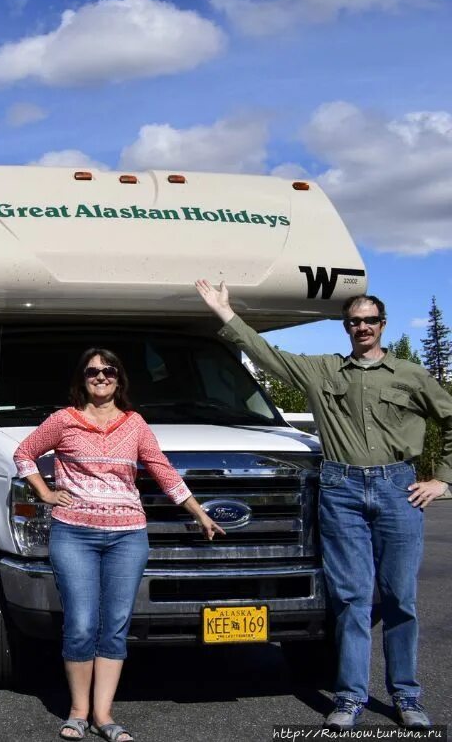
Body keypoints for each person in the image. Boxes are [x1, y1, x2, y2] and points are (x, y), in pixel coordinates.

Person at [196, 280, 452, 731]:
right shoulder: (322, 371)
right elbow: (267, 356)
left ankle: (407, 696)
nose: (362, 328)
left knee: (400, 600)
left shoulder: (411, 375)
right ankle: (350, 697)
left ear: (383, 325)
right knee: (352, 601)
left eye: (370, 320)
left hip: (398, 489)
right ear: (345, 327)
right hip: (341, 491)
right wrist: (225, 312)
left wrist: (443, 480)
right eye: (354, 321)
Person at [14, 348, 223, 742]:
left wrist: (198, 513)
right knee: (79, 625)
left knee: (114, 627)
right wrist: (44, 492)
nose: (100, 376)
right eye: (92, 371)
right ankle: (77, 712)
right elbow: (24, 453)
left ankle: (104, 715)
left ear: (119, 379)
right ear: (82, 379)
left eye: (108, 370)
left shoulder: (135, 424)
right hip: (74, 533)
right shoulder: (63, 421)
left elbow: (162, 470)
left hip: (128, 537)